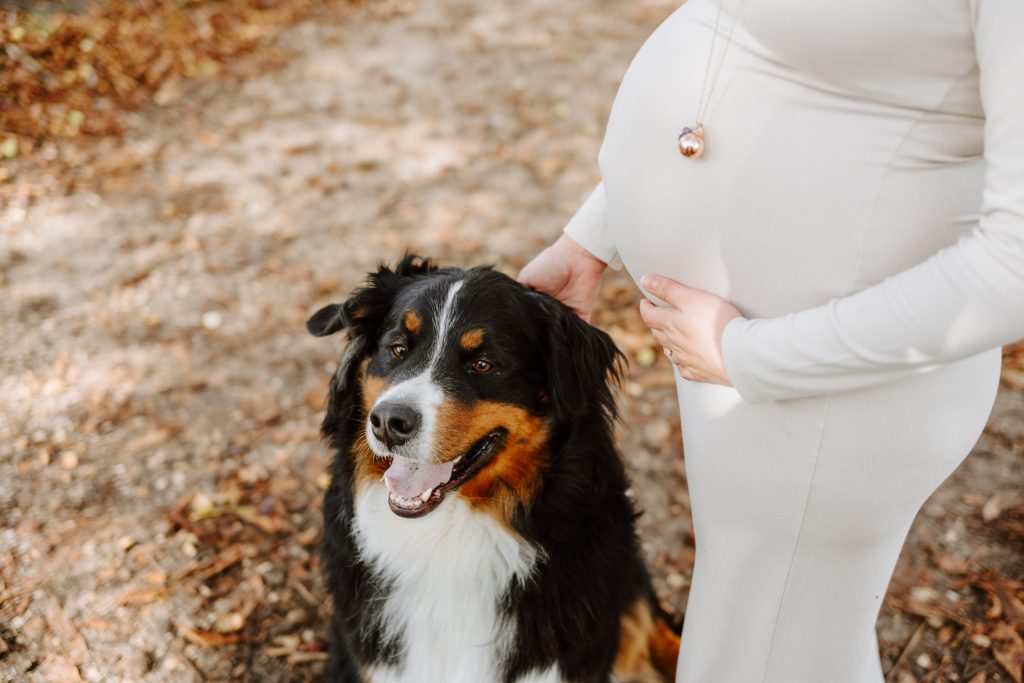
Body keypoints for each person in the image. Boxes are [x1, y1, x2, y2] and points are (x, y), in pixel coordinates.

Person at [517, 0, 1024, 680]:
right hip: (741, 364)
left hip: (830, 391)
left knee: (757, 650)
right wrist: (597, 229)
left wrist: (752, 357)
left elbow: (1014, 267)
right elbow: (749, 46)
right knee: (774, 634)